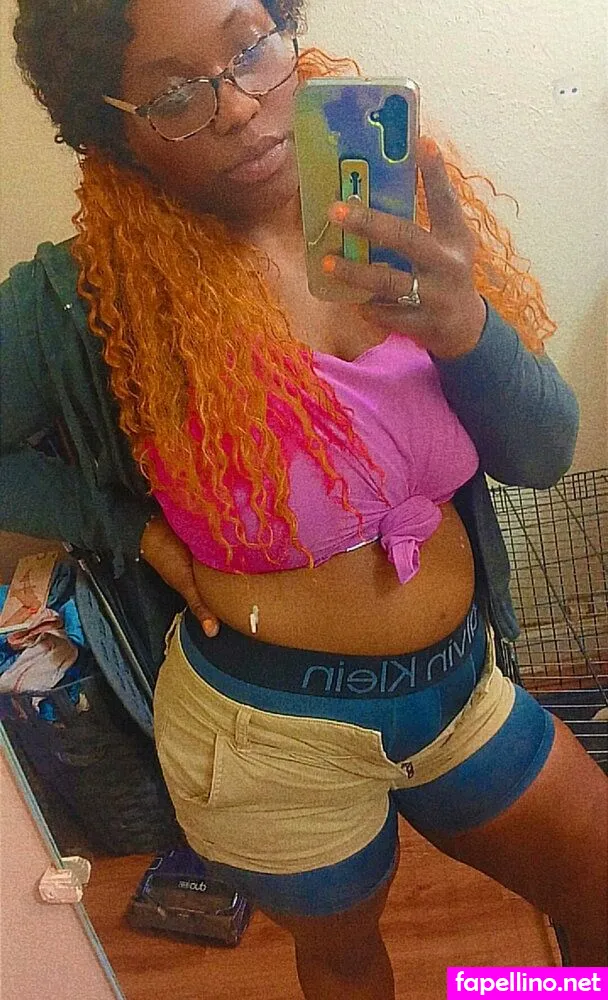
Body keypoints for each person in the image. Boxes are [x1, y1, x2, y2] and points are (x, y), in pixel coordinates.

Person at [1, 0, 606, 994]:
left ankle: (508, 989)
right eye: (175, 95)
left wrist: (466, 325)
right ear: (111, 127)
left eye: (250, 45)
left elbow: (541, 454)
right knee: (344, 962)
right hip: (264, 735)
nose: (240, 105)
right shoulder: (86, 297)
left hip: (463, 688)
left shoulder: (392, 204)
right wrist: (133, 531)